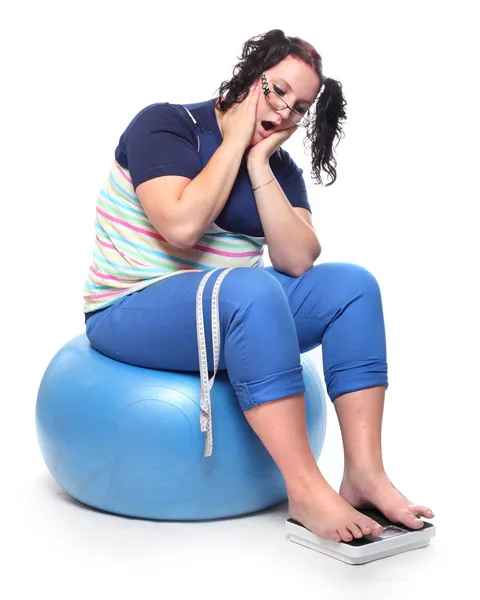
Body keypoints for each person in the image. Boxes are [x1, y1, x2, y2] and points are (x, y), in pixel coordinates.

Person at [83, 28, 434, 543]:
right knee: (252, 290)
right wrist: (233, 142)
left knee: (353, 288)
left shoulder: (279, 166)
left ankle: (365, 475)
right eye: (277, 90)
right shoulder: (167, 125)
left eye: (300, 107)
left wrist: (257, 162)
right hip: (129, 308)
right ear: (251, 77)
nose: (286, 112)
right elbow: (180, 226)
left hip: (230, 309)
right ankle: (306, 491)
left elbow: (297, 260)